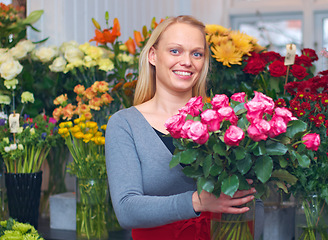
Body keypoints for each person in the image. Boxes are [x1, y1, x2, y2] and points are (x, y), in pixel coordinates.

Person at [105, 15, 264, 240]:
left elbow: (252, 200)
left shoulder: (227, 122)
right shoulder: (125, 125)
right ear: (153, 55)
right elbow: (126, 209)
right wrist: (199, 202)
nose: (187, 62)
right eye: (175, 51)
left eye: (196, 53)